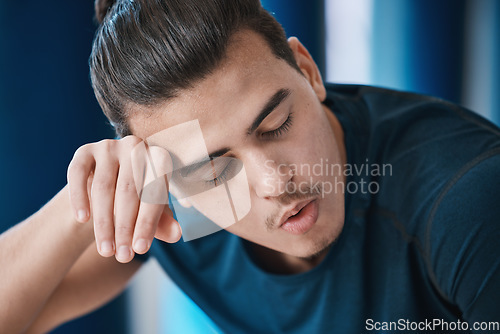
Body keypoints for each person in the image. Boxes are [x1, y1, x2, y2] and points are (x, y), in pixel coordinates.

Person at [1, 0, 499, 333]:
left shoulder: (469, 200)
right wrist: (83, 201)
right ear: (160, 174)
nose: (274, 182)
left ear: (307, 69)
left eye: (277, 124)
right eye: (215, 170)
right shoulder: (175, 206)